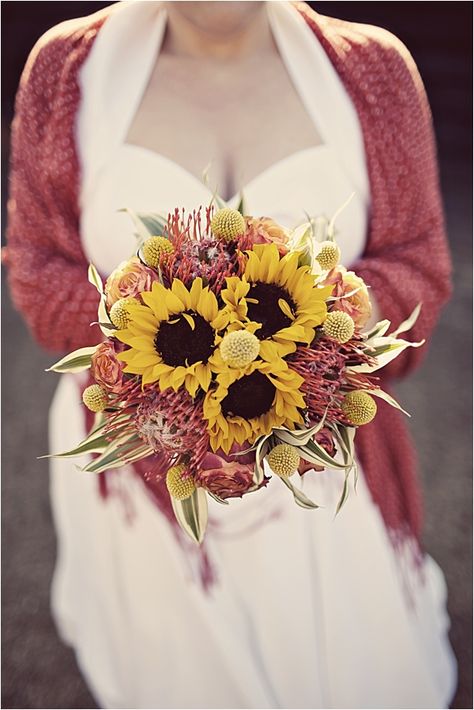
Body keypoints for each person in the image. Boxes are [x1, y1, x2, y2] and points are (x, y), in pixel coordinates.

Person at [5, 1, 458, 707]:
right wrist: (156, 360)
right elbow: (37, 272)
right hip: (140, 467)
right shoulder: (65, 71)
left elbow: (420, 270)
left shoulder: (375, 71)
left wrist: (323, 321)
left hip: (320, 466)